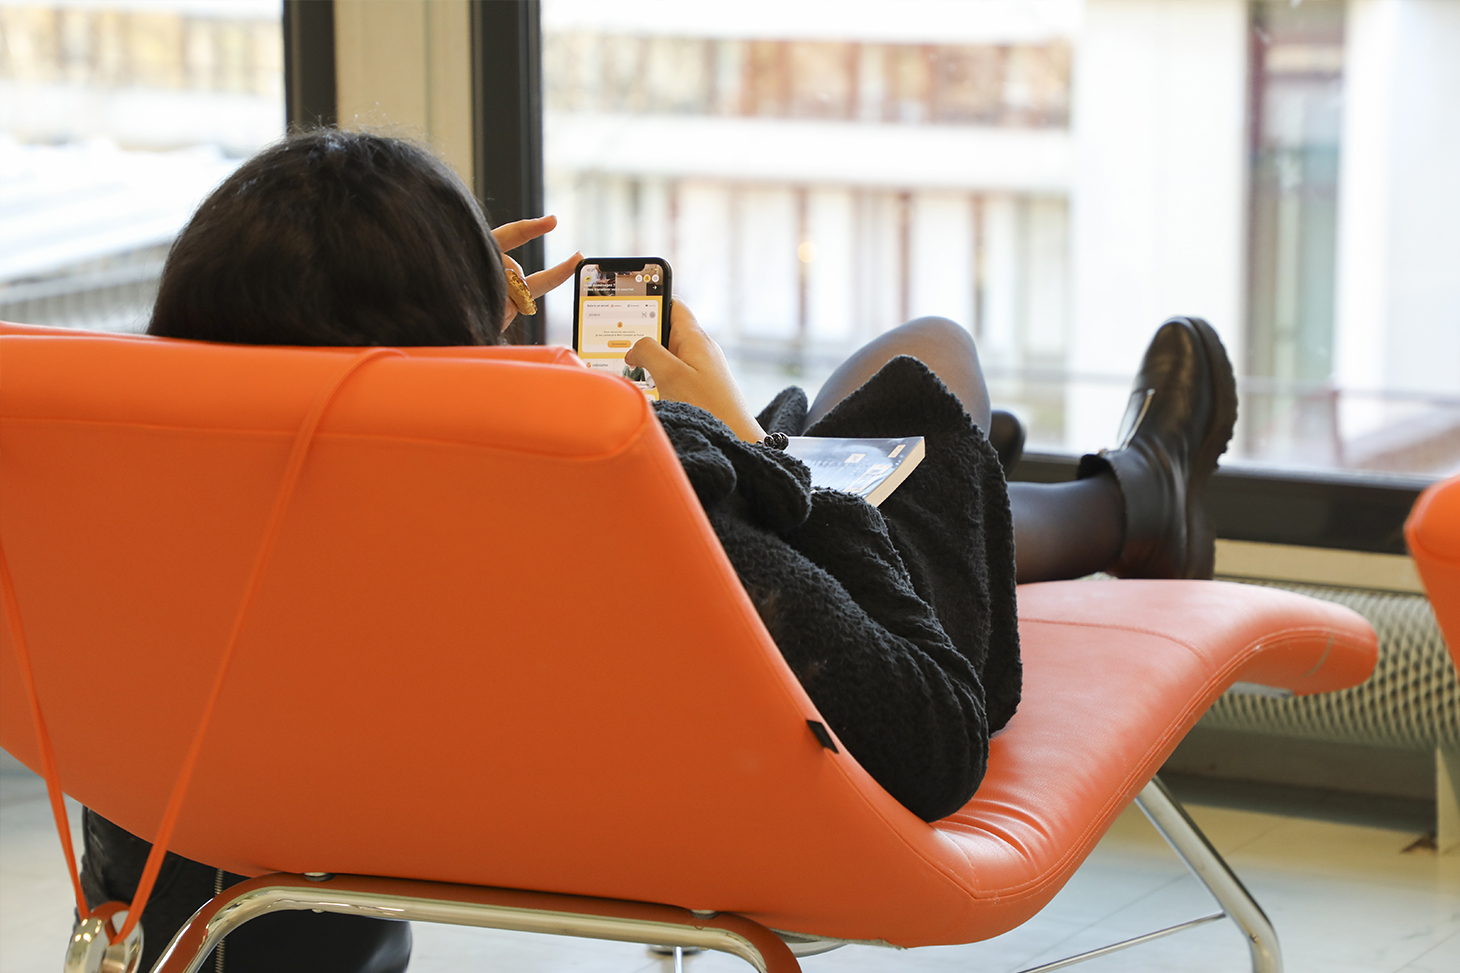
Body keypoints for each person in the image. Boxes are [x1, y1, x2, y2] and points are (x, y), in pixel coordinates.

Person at [80, 130, 1237, 973]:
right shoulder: (619, 478)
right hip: (818, 681)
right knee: (920, 368)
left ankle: (1095, 491)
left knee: (888, 435)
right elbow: (931, 730)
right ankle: (1128, 500)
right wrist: (731, 438)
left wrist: (431, 332)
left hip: (391, 793)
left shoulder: (153, 547)